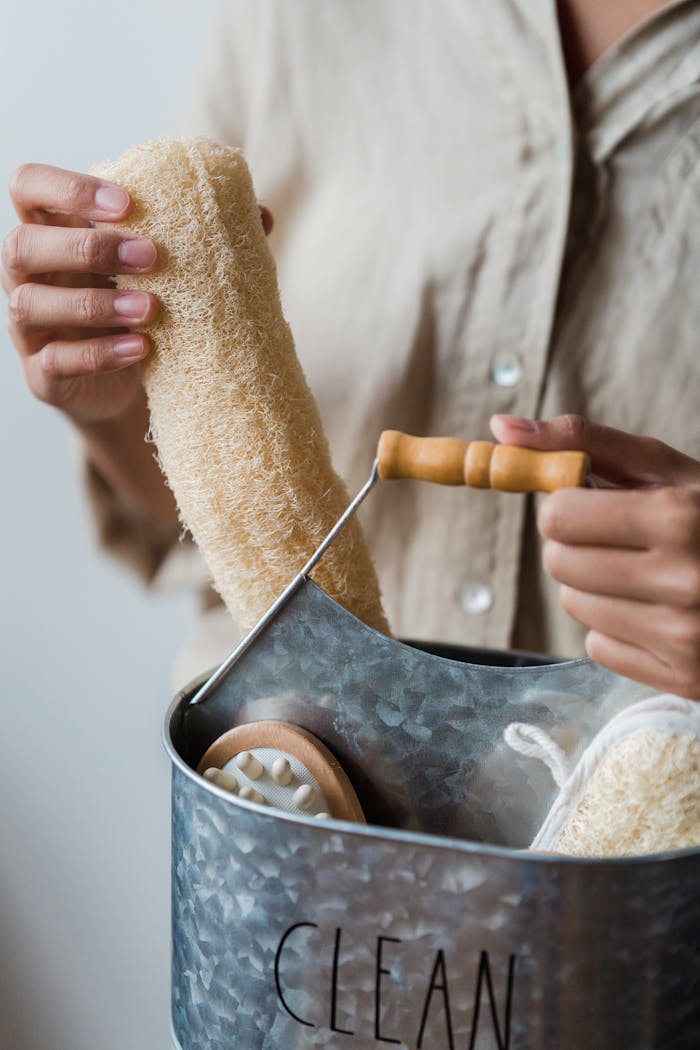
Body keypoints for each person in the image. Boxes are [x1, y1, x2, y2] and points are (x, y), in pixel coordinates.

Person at [2, 0, 699, 697]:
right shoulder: (293, 18)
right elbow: (185, 507)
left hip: (622, 781)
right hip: (284, 770)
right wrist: (114, 400)